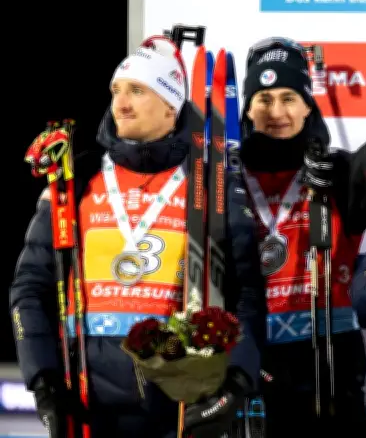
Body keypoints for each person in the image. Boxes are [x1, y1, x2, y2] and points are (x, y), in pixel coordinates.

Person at [9, 37, 265, 438]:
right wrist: (44, 384)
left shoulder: (211, 182)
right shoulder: (76, 181)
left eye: (137, 90)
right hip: (87, 401)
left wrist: (235, 384)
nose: (121, 103)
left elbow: (246, 294)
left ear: (170, 105)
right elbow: (29, 289)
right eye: (116, 91)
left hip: (179, 403)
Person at [238, 0, 366, 436]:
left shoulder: (337, 172)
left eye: (288, 98)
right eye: (262, 99)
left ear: (307, 108)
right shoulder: (222, 182)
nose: (274, 111)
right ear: (246, 108)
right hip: (248, 366)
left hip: (329, 368)